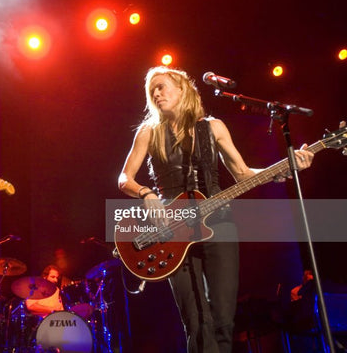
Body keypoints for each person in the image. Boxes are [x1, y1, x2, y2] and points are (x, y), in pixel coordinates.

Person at [118, 66, 314, 352]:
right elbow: (124, 178)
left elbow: (244, 175)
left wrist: (284, 167)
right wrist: (146, 192)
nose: (156, 94)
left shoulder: (213, 126)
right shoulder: (149, 132)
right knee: (196, 321)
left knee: (223, 317)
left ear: (182, 88)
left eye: (161, 86)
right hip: (171, 229)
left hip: (218, 223)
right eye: (152, 91)